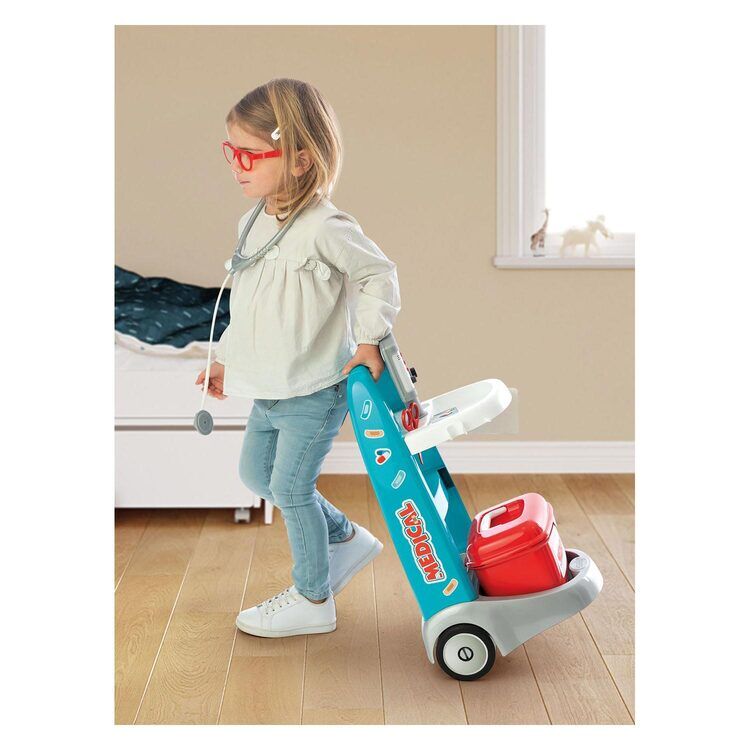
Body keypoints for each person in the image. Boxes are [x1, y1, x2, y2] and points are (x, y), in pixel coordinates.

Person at [195, 78, 401, 638]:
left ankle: (314, 598)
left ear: (300, 158)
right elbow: (250, 307)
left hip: (313, 389)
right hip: (270, 386)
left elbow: (378, 275)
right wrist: (226, 359)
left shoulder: (326, 228)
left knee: (289, 489)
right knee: (255, 475)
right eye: (230, 152)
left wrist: (368, 341)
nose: (236, 166)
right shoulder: (252, 223)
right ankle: (345, 538)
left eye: (249, 154)